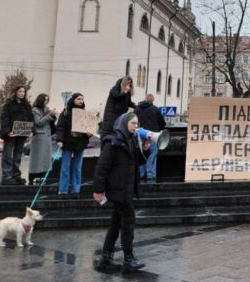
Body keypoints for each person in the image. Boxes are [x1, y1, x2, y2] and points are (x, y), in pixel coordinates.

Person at [94, 112, 149, 273]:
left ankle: (105, 257)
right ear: (124, 124)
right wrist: (98, 189)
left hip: (126, 189)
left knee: (116, 223)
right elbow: (101, 168)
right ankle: (128, 257)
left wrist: (145, 149)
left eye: (137, 123)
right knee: (129, 220)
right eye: (133, 123)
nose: (136, 126)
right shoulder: (113, 142)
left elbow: (136, 162)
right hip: (118, 189)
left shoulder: (130, 140)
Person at [56, 93, 92, 199]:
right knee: (65, 167)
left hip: (80, 143)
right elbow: (60, 127)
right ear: (73, 100)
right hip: (67, 143)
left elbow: (88, 128)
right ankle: (63, 190)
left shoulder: (85, 113)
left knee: (77, 168)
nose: (81, 100)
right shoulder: (66, 112)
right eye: (78, 98)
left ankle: (75, 190)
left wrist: (89, 133)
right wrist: (59, 139)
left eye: (82, 99)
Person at [0, 86, 34, 185]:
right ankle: (6, 175)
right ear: (15, 92)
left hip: (22, 133)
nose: (22, 93)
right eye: (20, 91)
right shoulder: (8, 104)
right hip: (11, 133)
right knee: (7, 154)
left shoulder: (26, 105)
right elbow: (4, 118)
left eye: (24, 91)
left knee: (18, 154)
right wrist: (7, 132)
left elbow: (30, 118)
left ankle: (15, 174)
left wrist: (31, 130)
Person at [134, 94, 167, 183]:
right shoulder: (155, 109)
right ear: (152, 101)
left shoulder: (137, 109)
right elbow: (163, 123)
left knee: (141, 155)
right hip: (152, 136)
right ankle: (150, 176)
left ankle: (140, 175)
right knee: (152, 156)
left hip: (140, 135)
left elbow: (134, 122)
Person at [30, 94, 56, 185]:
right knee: (38, 158)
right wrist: (49, 115)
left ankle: (43, 176)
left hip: (47, 136)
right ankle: (34, 176)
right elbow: (38, 122)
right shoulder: (35, 110)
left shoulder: (46, 109)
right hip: (39, 136)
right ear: (40, 100)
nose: (46, 102)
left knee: (45, 158)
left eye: (47, 100)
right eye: (45, 100)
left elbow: (50, 122)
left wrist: (53, 116)